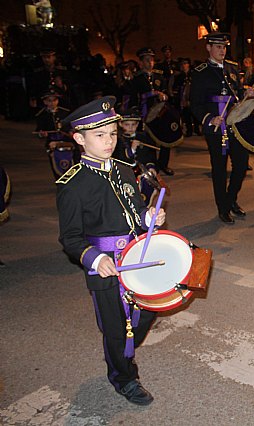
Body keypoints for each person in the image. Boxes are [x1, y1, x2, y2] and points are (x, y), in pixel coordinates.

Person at [56, 96, 166, 405]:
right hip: (105, 266)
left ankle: (125, 348)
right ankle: (123, 377)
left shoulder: (124, 168)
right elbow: (71, 238)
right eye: (99, 135)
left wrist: (149, 218)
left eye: (113, 134)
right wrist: (95, 258)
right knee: (117, 329)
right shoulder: (72, 185)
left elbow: (136, 209)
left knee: (146, 312)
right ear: (79, 139)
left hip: (136, 255)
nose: (109, 141)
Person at [190, 32, 254, 224]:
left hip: (235, 125)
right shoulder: (201, 72)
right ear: (209, 48)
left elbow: (236, 92)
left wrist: (247, 92)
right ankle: (223, 207)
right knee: (219, 169)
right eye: (218, 47)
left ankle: (231, 199)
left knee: (242, 164)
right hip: (216, 127)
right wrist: (209, 119)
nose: (222, 50)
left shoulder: (232, 68)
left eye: (224, 47)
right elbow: (195, 104)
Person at [131, 47, 173, 176]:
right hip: (145, 113)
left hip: (161, 113)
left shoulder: (159, 76)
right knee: (150, 141)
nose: (150, 63)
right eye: (147, 60)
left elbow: (167, 93)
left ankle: (163, 164)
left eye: (152, 60)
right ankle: (152, 165)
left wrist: (164, 96)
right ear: (141, 62)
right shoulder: (136, 79)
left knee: (166, 138)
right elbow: (134, 97)